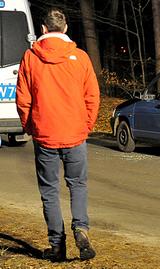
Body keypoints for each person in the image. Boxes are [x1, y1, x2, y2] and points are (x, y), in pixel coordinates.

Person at [16, 8, 99, 262]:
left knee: (50, 191)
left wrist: (31, 126)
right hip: (75, 134)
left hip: (45, 135)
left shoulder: (30, 58)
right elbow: (92, 97)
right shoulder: (81, 57)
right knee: (78, 185)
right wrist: (85, 126)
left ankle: (57, 245)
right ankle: (81, 229)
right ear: (64, 29)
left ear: (43, 29)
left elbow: (23, 99)